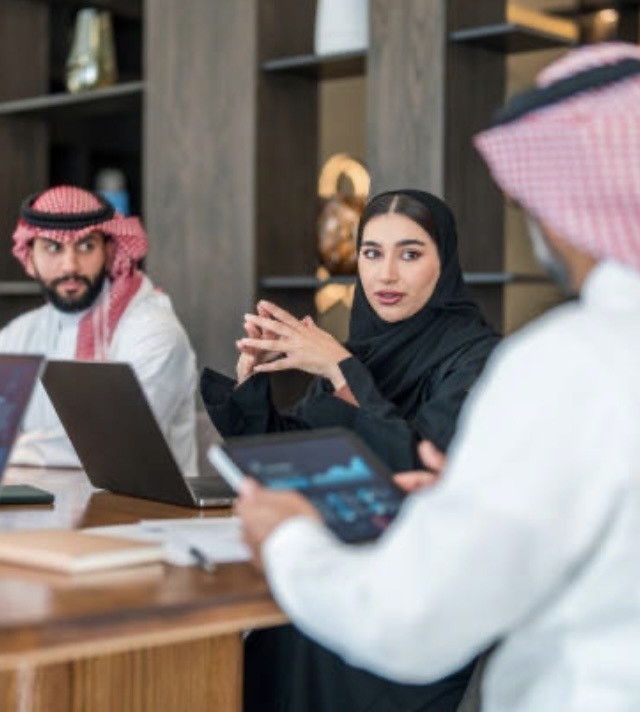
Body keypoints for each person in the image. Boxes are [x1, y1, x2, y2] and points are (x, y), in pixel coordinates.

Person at [234, 43, 640, 711]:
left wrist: (285, 537)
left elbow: (409, 621)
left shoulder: (575, 361)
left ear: (564, 207)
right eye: (373, 253)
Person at [203, 189, 500, 711]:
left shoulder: (477, 357)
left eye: (410, 254)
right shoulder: (364, 348)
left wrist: (342, 370)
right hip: (327, 581)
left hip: (402, 606)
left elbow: (417, 467)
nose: (386, 275)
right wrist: (255, 383)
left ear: (444, 263)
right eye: (371, 253)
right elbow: (299, 457)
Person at [0, 185, 198, 473]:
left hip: (146, 514)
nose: (70, 265)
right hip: (48, 507)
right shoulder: (24, 332)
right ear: (29, 257)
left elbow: (117, 443)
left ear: (109, 251)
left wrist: (13, 447)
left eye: (86, 246)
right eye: (53, 247)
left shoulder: (152, 331)